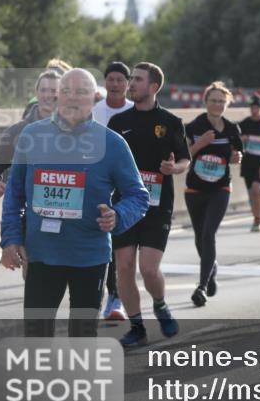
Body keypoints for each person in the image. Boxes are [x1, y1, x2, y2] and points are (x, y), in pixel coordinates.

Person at [0, 69, 149, 344]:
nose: (72, 98)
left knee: (81, 337)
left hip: (89, 256)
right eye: (66, 91)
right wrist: (10, 239)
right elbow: (14, 194)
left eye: (81, 92)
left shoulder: (112, 143)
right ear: (58, 96)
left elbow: (138, 196)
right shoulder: (32, 136)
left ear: (93, 98)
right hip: (43, 253)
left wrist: (118, 216)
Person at [109, 63, 191, 347]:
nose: (130, 83)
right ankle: (137, 327)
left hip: (157, 205)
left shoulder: (170, 122)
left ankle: (160, 302)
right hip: (124, 205)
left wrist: (174, 169)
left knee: (148, 268)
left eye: (137, 79)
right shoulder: (118, 123)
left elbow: (184, 159)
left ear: (153, 87)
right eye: (131, 78)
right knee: (124, 266)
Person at [183, 81, 243, 306]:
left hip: (220, 188)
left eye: (221, 101)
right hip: (195, 188)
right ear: (206, 102)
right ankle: (212, 268)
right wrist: (201, 144)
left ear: (226, 104)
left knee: (209, 234)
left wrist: (237, 157)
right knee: (200, 237)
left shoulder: (231, 129)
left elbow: (237, 155)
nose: (217, 104)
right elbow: (184, 156)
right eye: (213, 100)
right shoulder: (194, 126)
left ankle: (201, 286)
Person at [90, 62, 134, 322]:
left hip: (128, 187)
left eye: (120, 80)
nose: (115, 84)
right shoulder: (94, 111)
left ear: (128, 84)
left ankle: (121, 295)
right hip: (100, 185)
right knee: (107, 242)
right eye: (111, 80)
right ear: (105, 83)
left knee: (124, 249)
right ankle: (112, 297)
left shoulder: (134, 111)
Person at [0, 71, 60, 198]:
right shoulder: (18, 130)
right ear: (36, 93)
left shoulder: (74, 131)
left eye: (53, 90)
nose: (48, 95)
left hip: (62, 208)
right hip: (25, 208)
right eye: (43, 90)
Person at [238, 95, 260, 232]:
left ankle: (258, 220)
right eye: (252, 107)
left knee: (256, 188)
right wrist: (242, 139)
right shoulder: (244, 123)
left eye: (256, 107)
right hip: (248, 161)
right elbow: (236, 139)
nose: (254, 110)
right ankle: (256, 218)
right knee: (251, 193)